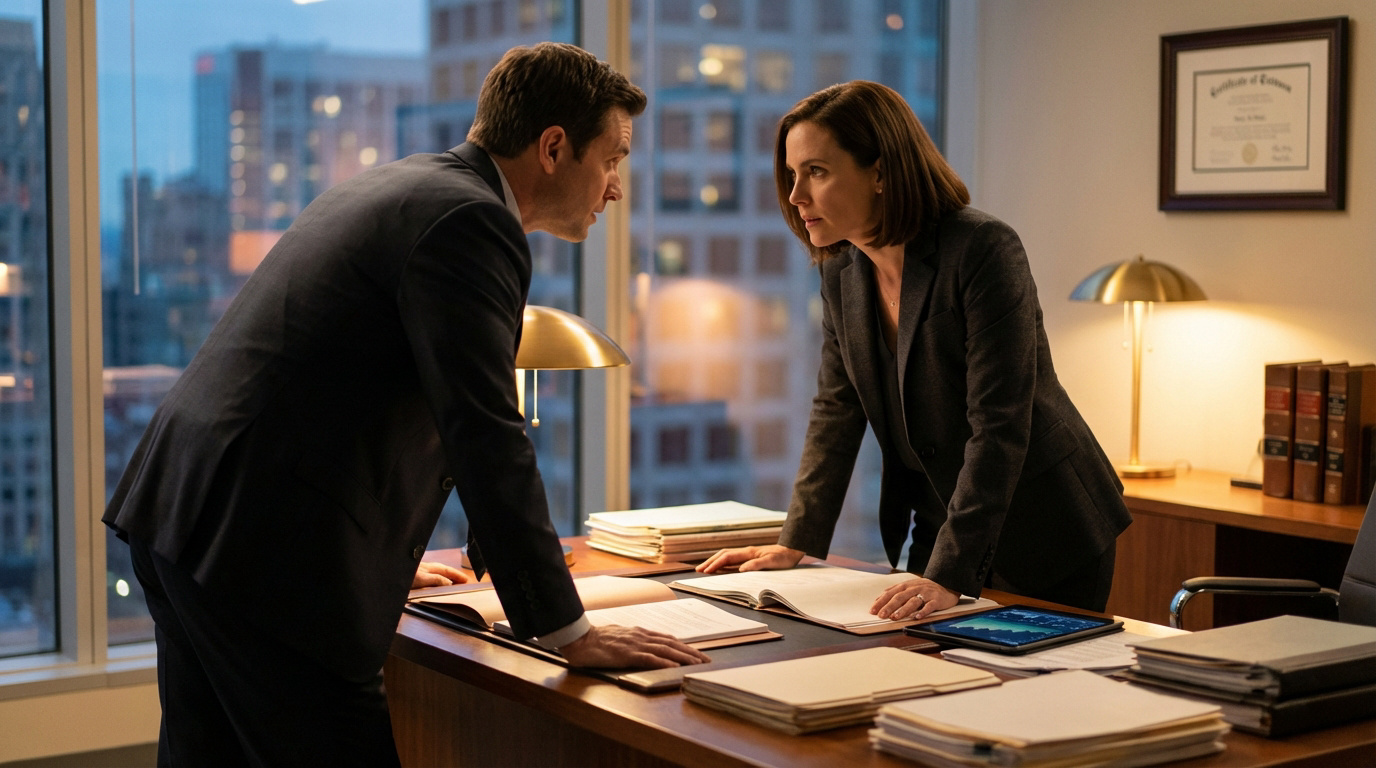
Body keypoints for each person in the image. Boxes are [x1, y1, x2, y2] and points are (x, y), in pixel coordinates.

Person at [103, 42, 708, 767]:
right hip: (270, 551)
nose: (615, 188)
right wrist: (567, 631)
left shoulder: (409, 187)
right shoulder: (471, 222)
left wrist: (376, 553)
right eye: (612, 160)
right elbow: (483, 428)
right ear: (553, 147)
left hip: (190, 514)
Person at [698, 81, 1132, 621]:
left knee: (1027, 695)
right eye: (791, 175)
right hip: (939, 524)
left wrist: (949, 572)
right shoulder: (841, 272)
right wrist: (798, 541)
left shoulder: (982, 249)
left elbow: (999, 424)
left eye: (816, 172)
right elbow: (837, 409)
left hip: (1042, 528)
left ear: (879, 172)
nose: (795, 196)